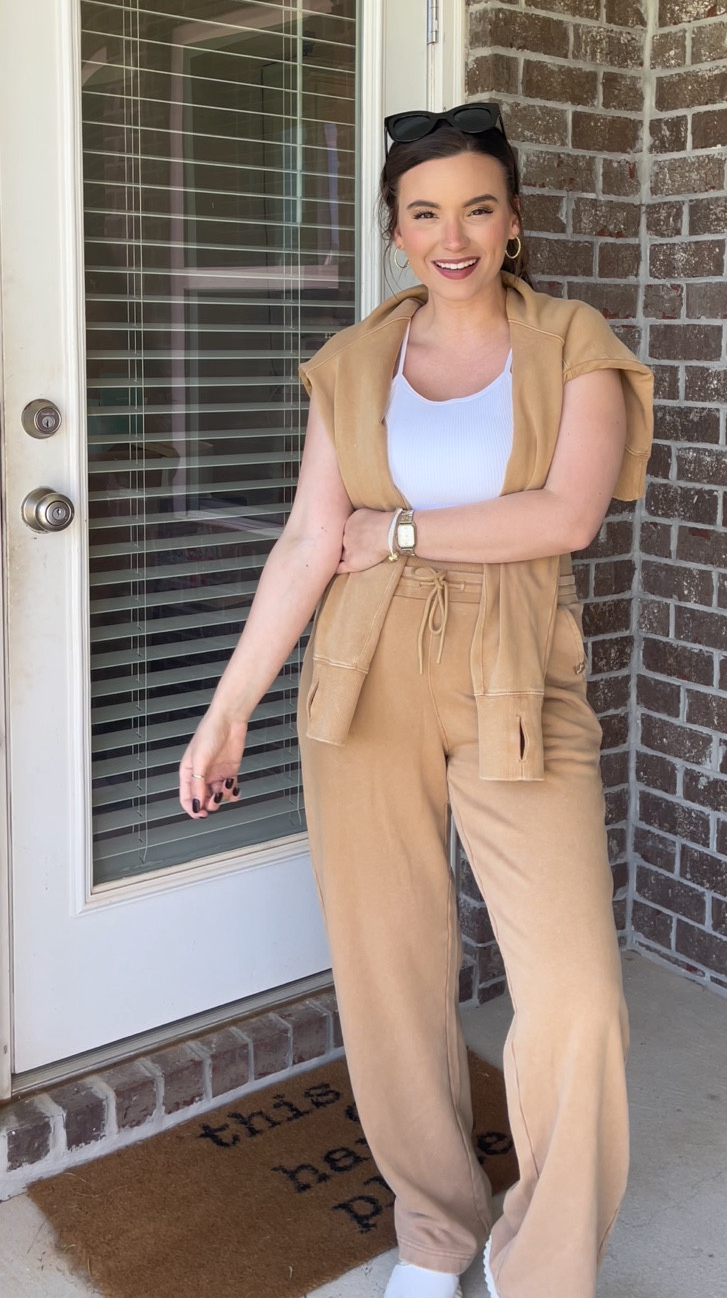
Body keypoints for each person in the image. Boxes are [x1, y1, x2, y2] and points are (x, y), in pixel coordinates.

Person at [179, 102, 654, 1298]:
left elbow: (565, 515)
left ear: (512, 221)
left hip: (516, 676)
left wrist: (393, 529)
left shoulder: (573, 344)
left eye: (476, 209)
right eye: (425, 213)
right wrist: (230, 705)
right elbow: (307, 539)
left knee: (577, 998)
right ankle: (436, 1234)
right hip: (364, 675)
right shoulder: (354, 364)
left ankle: (542, 1265)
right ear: (394, 231)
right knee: (388, 980)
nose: (452, 237)